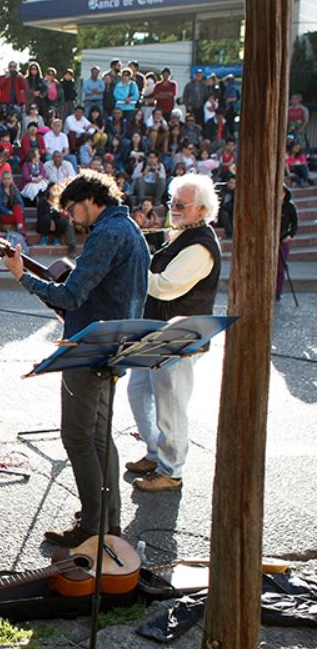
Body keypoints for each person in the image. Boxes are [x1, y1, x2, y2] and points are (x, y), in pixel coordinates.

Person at [3, 169, 149, 547]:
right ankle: (107, 520)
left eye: (71, 208)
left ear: (90, 200)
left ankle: (91, 528)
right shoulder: (131, 229)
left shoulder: (106, 233)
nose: (70, 216)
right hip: (115, 344)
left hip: (88, 348)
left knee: (78, 437)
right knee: (101, 437)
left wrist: (22, 276)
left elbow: (70, 296)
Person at [126, 173, 221, 492]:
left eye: (182, 203)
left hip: (180, 334)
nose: (174, 208)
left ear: (202, 209)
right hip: (159, 329)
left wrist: (136, 273)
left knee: (171, 403)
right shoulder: (182, 234)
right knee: (139, 391)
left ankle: (171, 470)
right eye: (172, 202)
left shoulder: (201, 245)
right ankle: (155, 453)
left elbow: (166, 287)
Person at [277, 184, 299, 303]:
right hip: (271, 240)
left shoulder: (290, 207)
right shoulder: (273, 206)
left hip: (283, 239)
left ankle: (277, 292)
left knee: (281, 267)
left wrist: (290, 235)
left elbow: (294, 224)